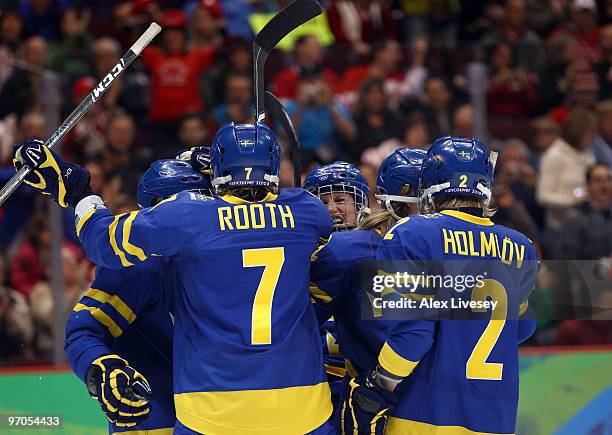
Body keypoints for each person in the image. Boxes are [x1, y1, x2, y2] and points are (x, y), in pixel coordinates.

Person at [13, 122, 335, 434]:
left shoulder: (183, 219)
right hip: (301, 404)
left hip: (208, 409)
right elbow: (85, 332)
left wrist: (78, 193)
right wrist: (102, 365)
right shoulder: (307, 211)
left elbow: (102, 241)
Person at [343, 136, 539, 434]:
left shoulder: (413, 233)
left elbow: (413, 335)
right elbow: (523, 328)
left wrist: (378, 385)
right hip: (495, 419)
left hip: (424, 414)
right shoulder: (521, 246)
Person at [65, 157, 212, 434]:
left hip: (213, 417)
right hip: (157, 420)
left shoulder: (225, 259)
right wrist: (103, 367)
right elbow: (83, 331)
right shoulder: (139, 267)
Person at [309, 149, 425, 431]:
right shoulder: (449, 247)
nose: (332, 209)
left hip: (379, 387)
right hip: (350, 384)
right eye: (323, 201)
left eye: (339, 199)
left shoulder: (350, 249)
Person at [303, 161, 370, 231]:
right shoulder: (305, 240)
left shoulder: (377, 240)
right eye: (322, 203)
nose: (330, 209)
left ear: (360, 205)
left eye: (339, 200)